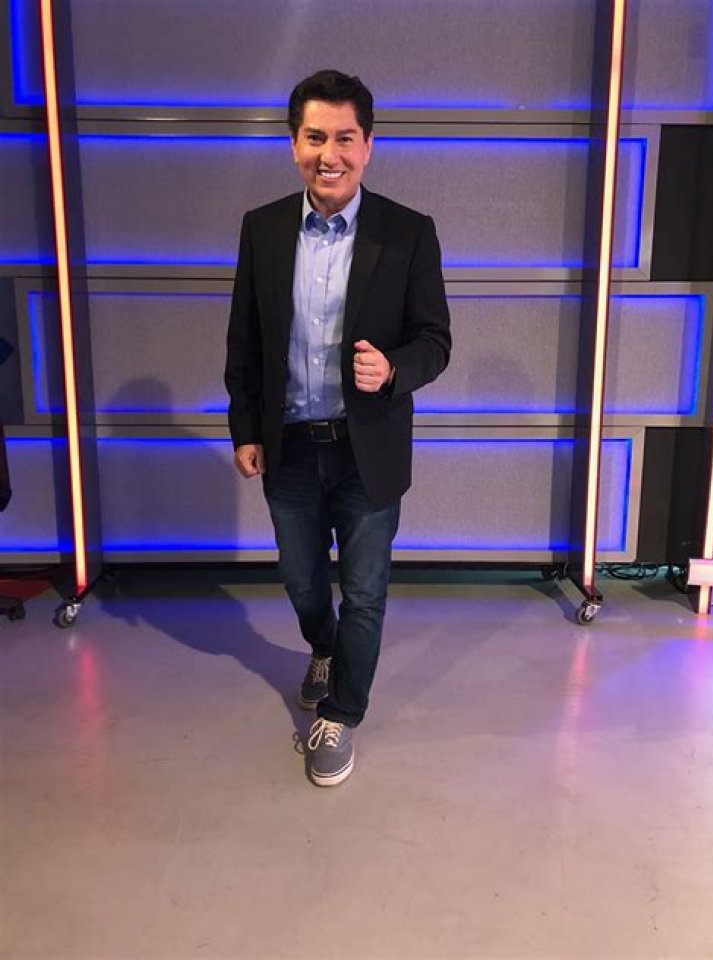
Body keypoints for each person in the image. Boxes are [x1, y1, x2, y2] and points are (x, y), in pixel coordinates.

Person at [225, 69, 451, 787]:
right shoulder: (262, 229)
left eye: (345, 139)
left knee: (366, 591)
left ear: (368, 145)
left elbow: (435, 341)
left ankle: (341, 713)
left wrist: (394, 368)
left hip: (367, 451)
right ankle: (322, 648)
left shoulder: (408, 232)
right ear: (294, 144)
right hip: (289, 445)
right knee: (300, 582)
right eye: (315, 137)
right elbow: (244, 340)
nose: (331, 155)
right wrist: (244, 428)